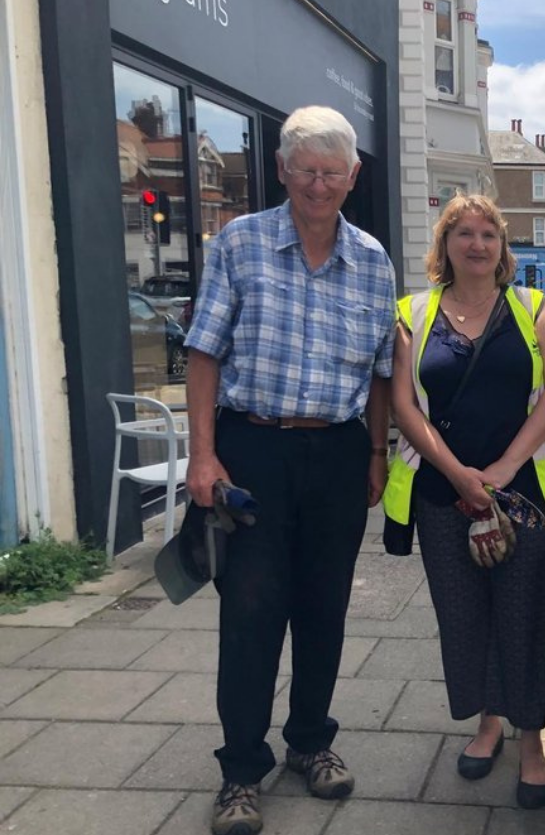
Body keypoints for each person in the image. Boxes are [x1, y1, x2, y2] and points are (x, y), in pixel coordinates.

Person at [184, 105, 397, 835]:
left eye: (332, 172)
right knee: (249, 610)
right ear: (281, 170)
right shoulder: (239, 245)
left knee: (323, 606)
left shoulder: (372, 259)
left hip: (337, 452)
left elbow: (378, 373)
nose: (318, 184)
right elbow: (204, 352)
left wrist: (374, 453)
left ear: (352, 177)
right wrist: (203, 452)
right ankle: (241, 770)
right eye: (305, 169)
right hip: (254, 449)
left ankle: (311, 741)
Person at [385, 193, 545, 810]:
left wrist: (503, 466)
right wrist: (458, 473)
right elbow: (404, 405)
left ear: (502, 248)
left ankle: (530, 742)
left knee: (522, 619)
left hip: (523, 496)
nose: (477, 244)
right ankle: (486, 724)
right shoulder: (413, 311)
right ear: (445, 246)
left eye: (488, 234)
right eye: (463, 234)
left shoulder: (531, 306)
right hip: (443, 495)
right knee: (464, 618)